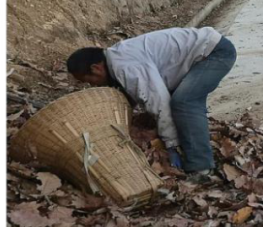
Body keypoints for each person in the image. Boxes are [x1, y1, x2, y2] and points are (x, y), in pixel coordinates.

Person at [66, 27, 237, 183]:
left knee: (185, 102)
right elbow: (135, 98)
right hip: (201, 54)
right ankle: (196, 147)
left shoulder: (125, 66)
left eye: (88, 81)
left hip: (214, 53)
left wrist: (172, 145)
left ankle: (201, 168)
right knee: (181, 103)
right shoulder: (117, 59)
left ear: (96, 68)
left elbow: (159, 101)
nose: (92, 85)